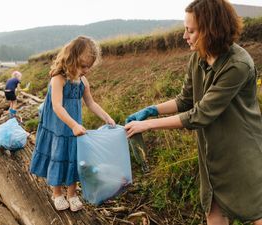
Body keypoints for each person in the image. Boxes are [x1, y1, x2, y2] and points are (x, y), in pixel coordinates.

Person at [125, 0, 262, 224]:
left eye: (191, 30)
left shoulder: (238, 65)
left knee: (256, 212)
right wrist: (150, 111)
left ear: (211, 30)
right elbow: (185, 100)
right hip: (211, 152)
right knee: (213, 209)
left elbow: (200, 114)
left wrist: (148, 125)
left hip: (241, 154)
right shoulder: (197, 57)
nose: (184, 36)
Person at [30, 36, 115, 212]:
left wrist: (106, 117)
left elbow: (91, 103)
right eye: (83, 66)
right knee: (58, 155)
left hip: (75, 129)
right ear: (71, 59)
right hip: (58, 127)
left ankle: (72, 193)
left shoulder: (83, 82)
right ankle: (57, 193)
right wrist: (73, 125)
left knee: (74, 158)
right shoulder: (58, 79)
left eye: (89, 67)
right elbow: (57, 107)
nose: (86, 70)